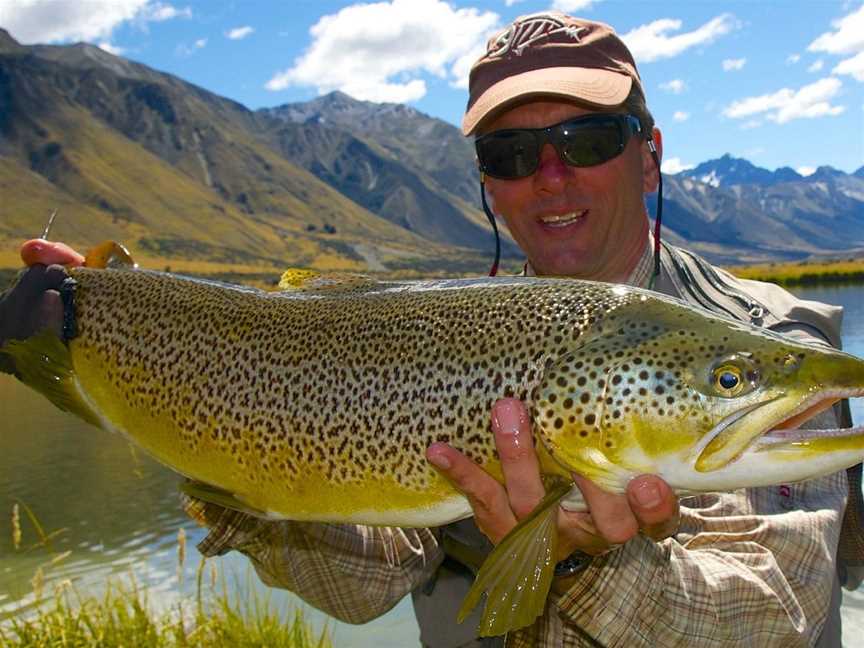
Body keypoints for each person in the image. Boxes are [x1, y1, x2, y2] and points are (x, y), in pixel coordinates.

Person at [1, 11, 861, 648]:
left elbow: (771, 616)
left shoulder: (765, 347)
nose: (550, 177)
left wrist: (595, 565)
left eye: (588, 138)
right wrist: (154, 383)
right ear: (488, 185)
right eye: (512, 156)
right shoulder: (448, 342)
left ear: (650, 152)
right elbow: (361, 582)